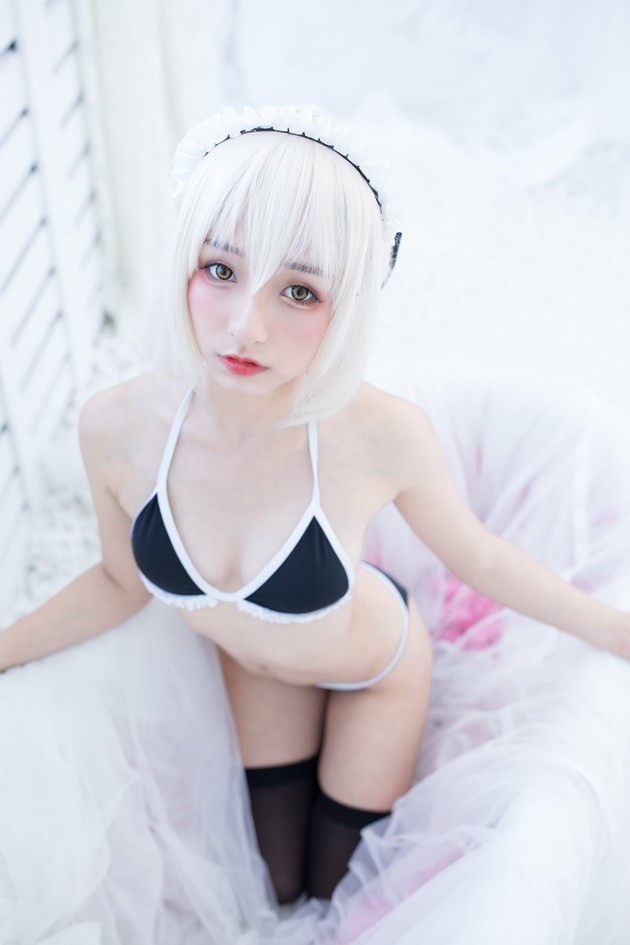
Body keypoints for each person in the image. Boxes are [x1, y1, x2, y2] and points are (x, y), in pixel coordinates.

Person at [1, 104, 630, 941]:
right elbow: (120, 583)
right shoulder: (117, 426)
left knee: (340, 893)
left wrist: (616, 630)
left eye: (298, 290)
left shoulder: (379, 433)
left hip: (376, 669)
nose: (246, 325)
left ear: (350, 304)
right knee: (275, 885)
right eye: (220, 269)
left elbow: (480, 556)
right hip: (257, 668)